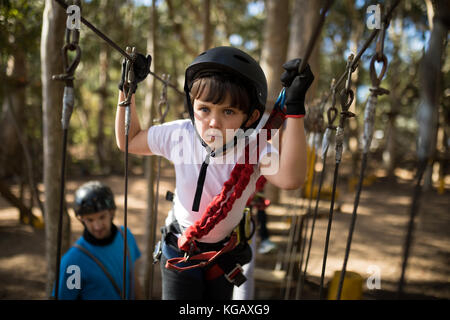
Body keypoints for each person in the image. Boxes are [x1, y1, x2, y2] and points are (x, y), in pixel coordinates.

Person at [115, 46, 314, 300]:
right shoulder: (180, 135)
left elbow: (291, 179)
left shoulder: (252, 148)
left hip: (222, 257)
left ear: (250, 117)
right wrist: (127, 90)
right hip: (179, 248)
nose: (213, 122)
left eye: (228, 112)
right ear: (192, 105)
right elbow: (129, 140)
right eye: (204, 109)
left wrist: (295, 111)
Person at [53, 181, 142, 300]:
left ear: (111, 212)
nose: (97, 226)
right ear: (81, 220)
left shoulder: (126, 236)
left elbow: (133, 278)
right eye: (90, 220)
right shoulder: (73, 262)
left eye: (102, 217)